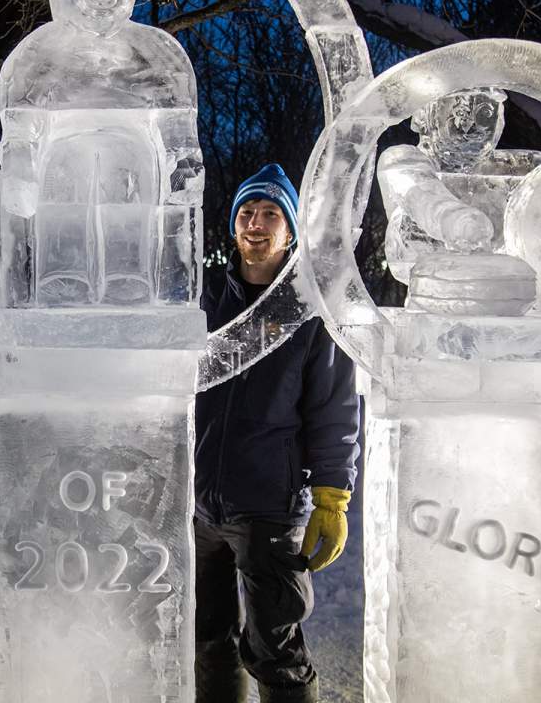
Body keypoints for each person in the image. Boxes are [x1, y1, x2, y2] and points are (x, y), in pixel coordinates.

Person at [193, 164, 360, 703]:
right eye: (246, 213)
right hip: (196, 507)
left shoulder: (307, 312)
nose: (256, 224)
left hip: (268, 505)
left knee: (274, 644)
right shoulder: (203, 304)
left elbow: (332, 409)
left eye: (270, 214)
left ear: (290, 230)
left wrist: (332, 496)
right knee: (206, 639)